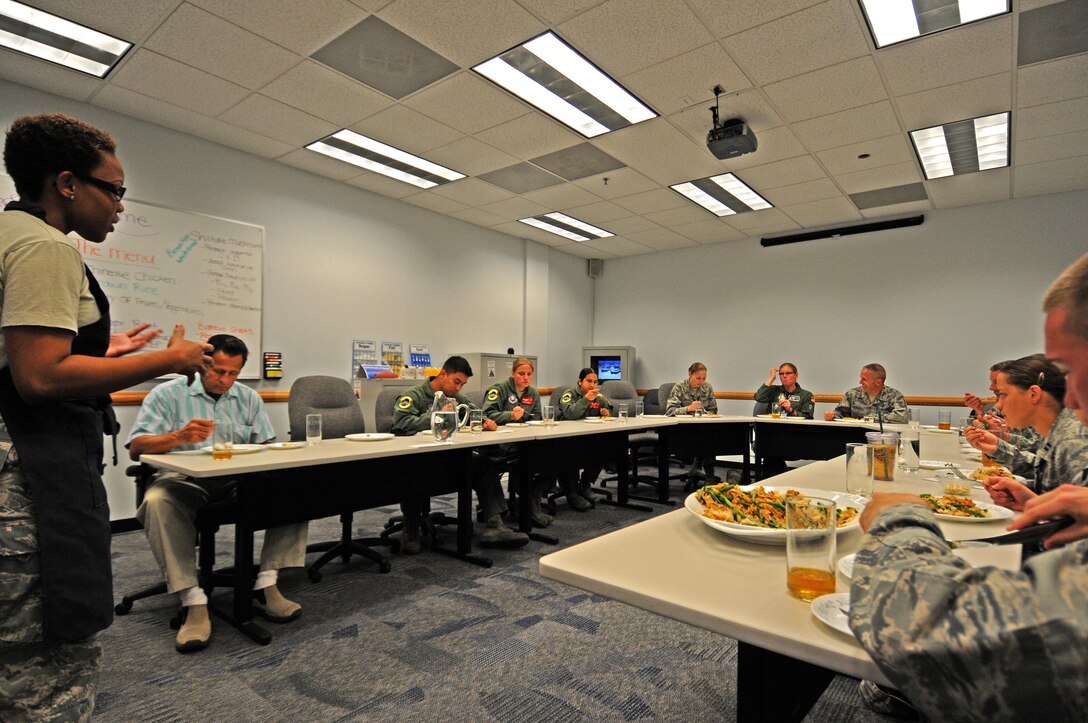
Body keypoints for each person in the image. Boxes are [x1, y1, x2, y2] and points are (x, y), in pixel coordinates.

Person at [0, 113, 210, 719]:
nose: (120, 205)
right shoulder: (44, 248)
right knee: (45, 667)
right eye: (113, 190)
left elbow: (28, 353)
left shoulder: (11, 235)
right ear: (67, 184)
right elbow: (38, 376)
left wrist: (101, 353)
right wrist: (167, 358)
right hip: (28, 482)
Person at [848, 252, 1088, 721]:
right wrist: (1045, 502)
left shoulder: (1073, 438)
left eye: (1073, 370)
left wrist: (900, 516)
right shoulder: (1069, 435)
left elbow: (934, 635)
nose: (1072, 398)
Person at [127, 334, 308, 653]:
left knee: (292, 487)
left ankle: (267, 581)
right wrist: (178, 436)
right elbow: (137, 448)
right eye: (218, 371)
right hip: (184, 481)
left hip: (237, 480)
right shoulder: (167, 394)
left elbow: (266, 445)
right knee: (157, 500)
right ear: (203, 362)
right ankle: (192, 599)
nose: (225, 380)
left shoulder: (248, 398)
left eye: (233, 373)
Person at [390, 355, 527, 551]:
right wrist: (437, 416)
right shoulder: (416, 395)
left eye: (462, 384)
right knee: (413, 469)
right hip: (420, 458)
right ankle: (411, 526)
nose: (458, 388)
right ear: (443, 373)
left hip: (451, 457)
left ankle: (494, 524)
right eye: (456, 382)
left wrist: (487, 422)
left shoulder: (457, 398)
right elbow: (400, 423)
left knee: (484, 465)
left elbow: (477, 413)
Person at [964, 354, 1088, 506]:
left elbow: (1080, 521)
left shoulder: (1073, 441)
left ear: (1034, 394)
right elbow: (1054, 488)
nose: (998, 406)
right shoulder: (1057, 429)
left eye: (1003, 394)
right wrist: (1030, 500)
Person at [482, 356, 553, 526]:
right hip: (500, 444)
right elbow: (486, 414)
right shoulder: (499, 390)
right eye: (521, 373)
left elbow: (536, 418)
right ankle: (529, 506)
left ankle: (532, 498)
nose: (526, 378)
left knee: (553, 456)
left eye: (529, 374)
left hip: (524, 441)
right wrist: (509, 416)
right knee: (525, 460)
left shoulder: (533, 393)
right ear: (513, 373)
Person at [556, 367, 613, 511]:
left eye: (595, 382)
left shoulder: (598, 397)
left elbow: (610, 409)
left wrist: (607, 413)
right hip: (566, 438)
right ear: (580, 382)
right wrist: (586, 399)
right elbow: (570, 413)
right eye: (589, 381)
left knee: (605, 447)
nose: (593, 385)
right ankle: (571, 493)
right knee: (569, 454)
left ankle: (585, 484)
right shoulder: (569, 394)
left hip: (588, 438)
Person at [666, 362, 719, 484]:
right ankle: (708, 473)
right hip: (682, 429)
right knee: (705, 438)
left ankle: (701, 468)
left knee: (713, 435)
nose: (701, 381)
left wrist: (707, 413)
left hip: (702, 427)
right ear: (690, 374)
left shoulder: (707, 388)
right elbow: (669, 411)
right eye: (698, 378)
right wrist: (689, 408)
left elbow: (714, 410)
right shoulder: (680, 387)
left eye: (704, 378)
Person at [827, 363, 907, 422]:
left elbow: (902, 417)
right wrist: (832, 416)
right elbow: (840, 413)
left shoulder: (894, 396)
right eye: (861, 378)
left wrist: (871, 419)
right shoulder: (852, 394)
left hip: (882, 438)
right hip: (854, 436)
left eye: (864, 379)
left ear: (878, 382)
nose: (860, 382)